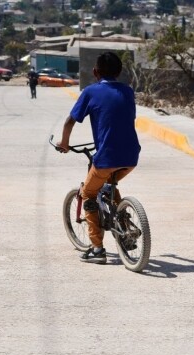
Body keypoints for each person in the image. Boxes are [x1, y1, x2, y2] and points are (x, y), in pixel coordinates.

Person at [56, 52, 141, 264]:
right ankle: (125, 224)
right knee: (108, 185)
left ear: (95, 72)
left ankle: (96, 249)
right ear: (120, 72)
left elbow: (69, 122)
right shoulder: (128, 91)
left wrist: (64, 144)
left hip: (106, 158)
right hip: (131, 156)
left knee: (88, 194)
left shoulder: (91, 91)